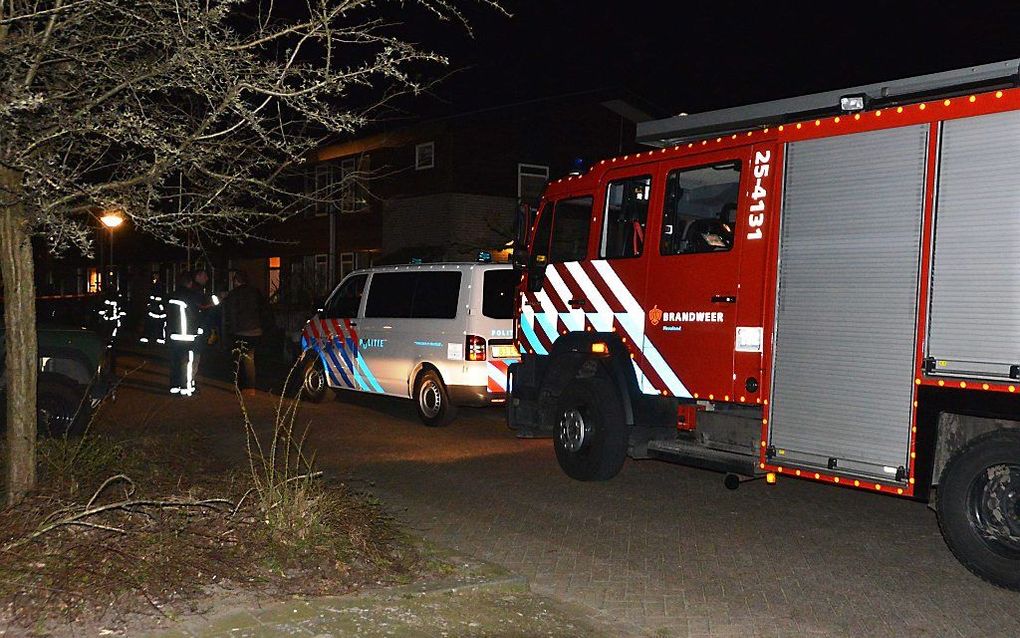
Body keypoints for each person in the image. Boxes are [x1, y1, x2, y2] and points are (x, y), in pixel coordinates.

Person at [222, 269, 264, 396]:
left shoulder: (234, 294)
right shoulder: (255, 292)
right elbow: (262, 309)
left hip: (241, 331)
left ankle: (243, 386)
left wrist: (231, 330)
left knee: (240, 359)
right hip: (256, 330)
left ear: (236, 281)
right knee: (250, 358)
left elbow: (231, 314)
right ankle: (250, 387)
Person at [167, 271, 204, 396]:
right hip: (188, 334)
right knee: (187, 361)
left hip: (174, 333)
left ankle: (174, 386)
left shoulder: (172, 296)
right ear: (189, 283)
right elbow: (197, 313)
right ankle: (186, 387)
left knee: (175, 360)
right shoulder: (191, 296)